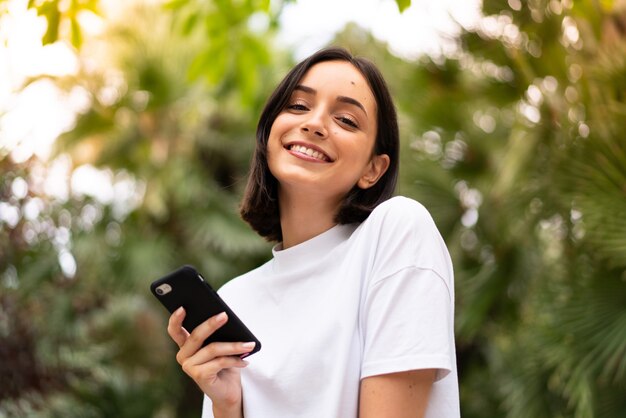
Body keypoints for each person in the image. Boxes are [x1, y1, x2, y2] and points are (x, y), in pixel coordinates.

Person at [167, 47, 460, 418]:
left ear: (374, 168)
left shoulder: (397, 231)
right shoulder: (234, 301)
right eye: (298, 107)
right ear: (270, 131)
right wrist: (227, 405)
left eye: (347, 120)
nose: (315, 124)